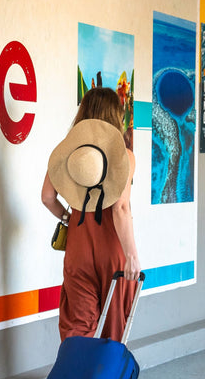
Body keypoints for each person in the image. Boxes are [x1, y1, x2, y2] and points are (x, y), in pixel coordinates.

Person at [42, 87, 141, 343]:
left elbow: (47, 197)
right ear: (114, 117)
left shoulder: (69, 156)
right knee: (114, 323)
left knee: (78, 325)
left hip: (78, 246)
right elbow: (120, 207)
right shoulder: (124, 157)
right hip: (112, 249)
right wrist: (132, 256)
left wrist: (69, 219)